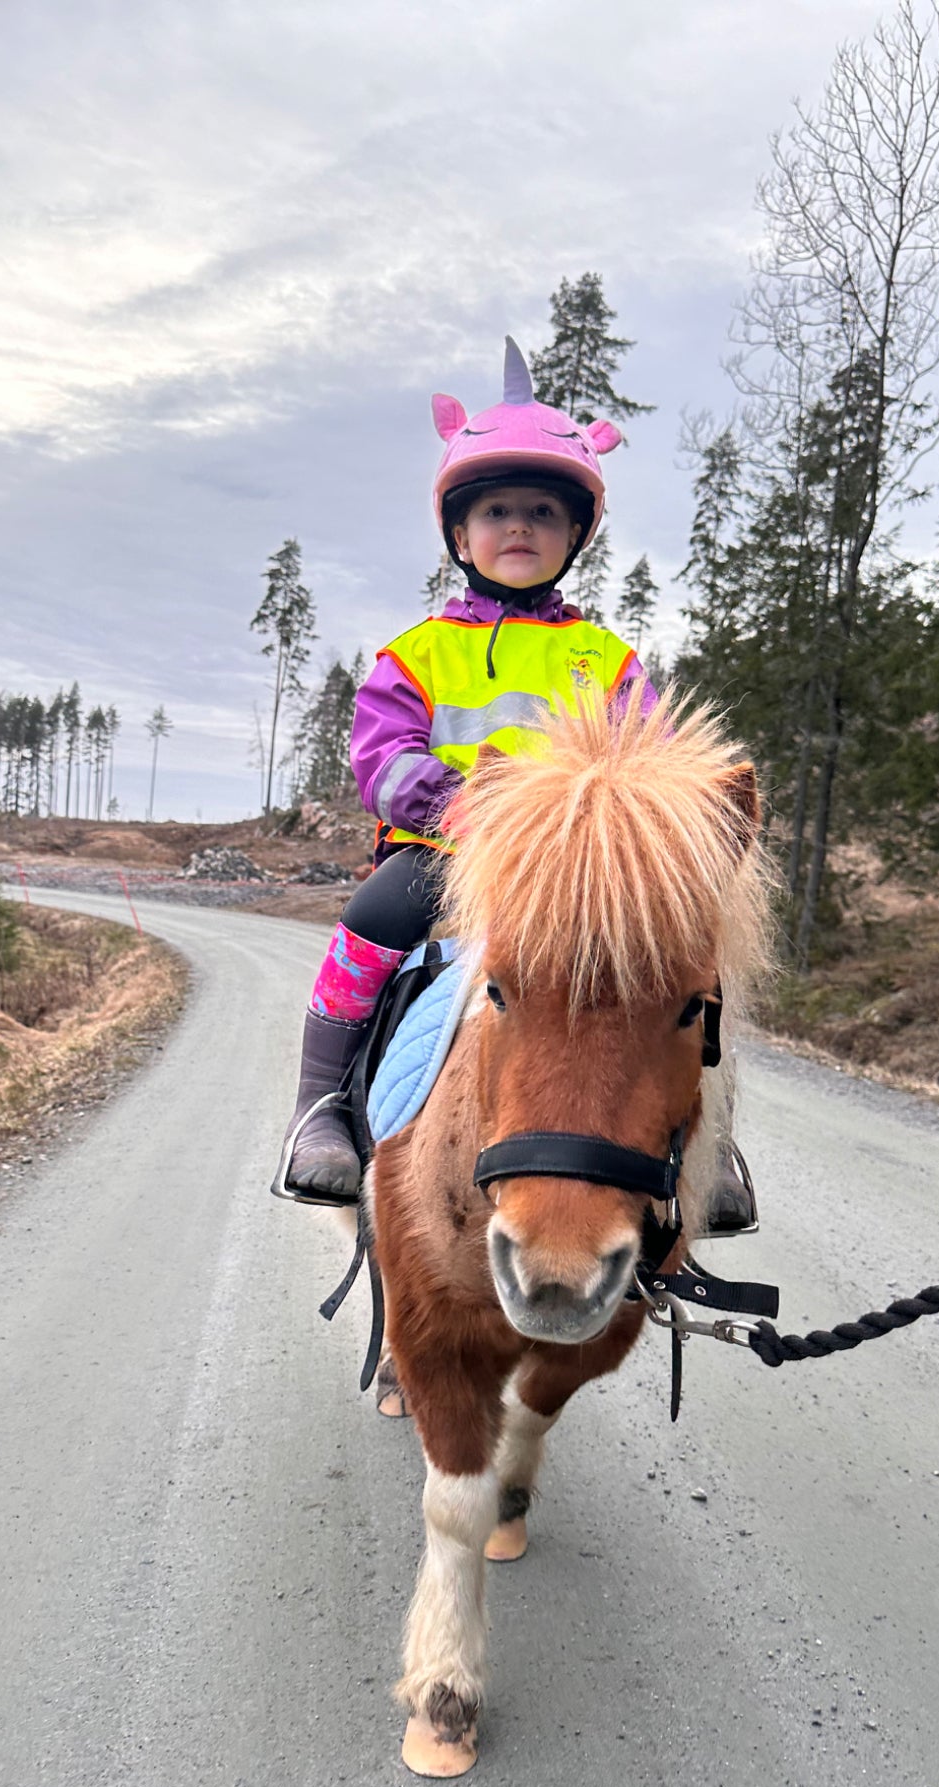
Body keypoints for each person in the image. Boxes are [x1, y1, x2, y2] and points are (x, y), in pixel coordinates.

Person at [272, 336, 753, 1234]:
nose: (519, 527)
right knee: (375, 920)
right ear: (460, 533)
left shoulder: (606, 657)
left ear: (574, 535)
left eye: (541, 511)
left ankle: (712, 1141)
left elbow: (645, 760)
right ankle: (321, 1109)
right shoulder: (417, 652)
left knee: (688, 965)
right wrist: (470, 808)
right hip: (447, 855)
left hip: (581, 872)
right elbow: (384, 762)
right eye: (497, 511)